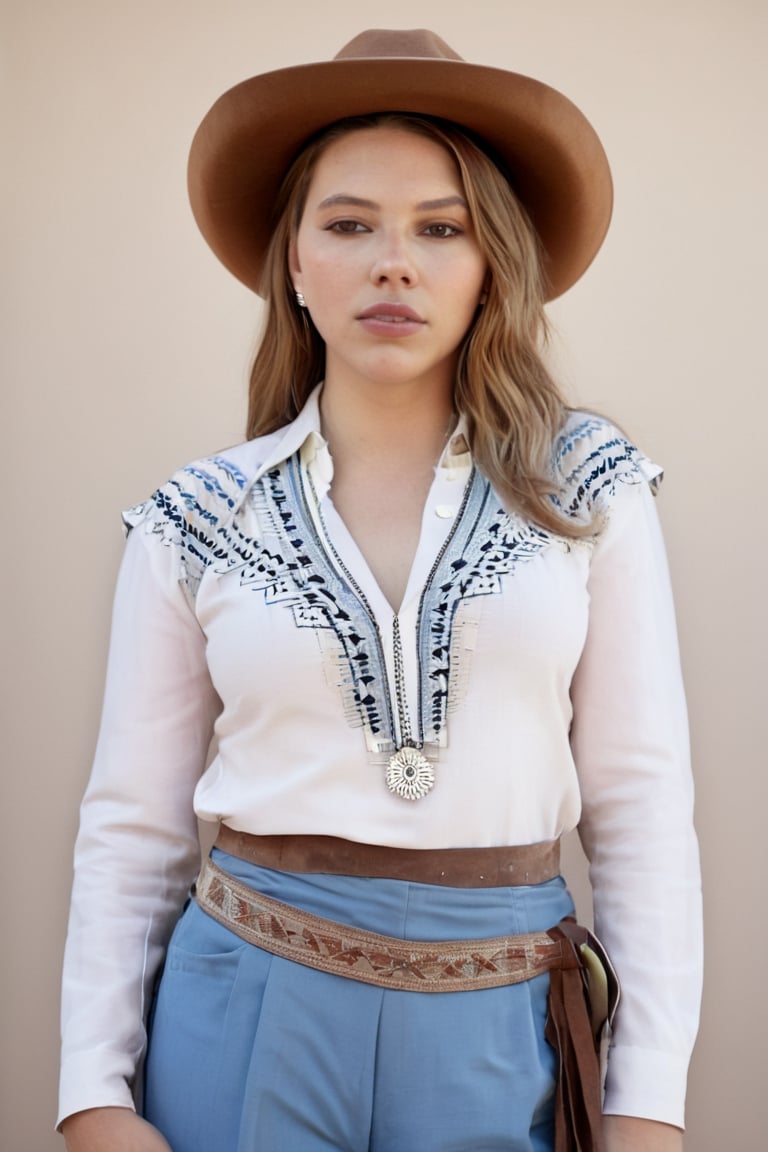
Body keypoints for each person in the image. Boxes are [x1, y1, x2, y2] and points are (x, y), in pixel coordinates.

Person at [58, 28, 702, 1152]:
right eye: (348, 225)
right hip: (242, 1013)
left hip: (505, 1032)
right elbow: (131, 827)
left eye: (439, 229)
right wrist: (93, 1096)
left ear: (490, 263)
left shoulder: (586, 486)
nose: (391, 264)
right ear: (295, 265)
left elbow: (642, 810)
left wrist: (650, 1104)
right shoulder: (197, 517)